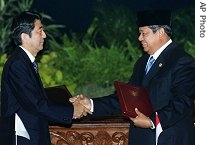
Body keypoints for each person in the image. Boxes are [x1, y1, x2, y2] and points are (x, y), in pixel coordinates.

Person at [70, 9, 195, 145]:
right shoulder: (142, 63)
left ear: (160, 33)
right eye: (139, 33)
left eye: (144, 33)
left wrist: (153, 121)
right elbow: (128, 99)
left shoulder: (181, 61)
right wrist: (91, 104)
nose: (139, 38)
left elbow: (183, 102)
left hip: (169, 139)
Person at [0, 11, 87, 145]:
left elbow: (36, 98)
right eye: (39, 31)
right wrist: (72, 111)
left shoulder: (25, 61)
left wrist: (66, 103)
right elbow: (35, 103)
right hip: (24, 137)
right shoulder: (17, 64)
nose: (44, 35)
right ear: (25, 36)